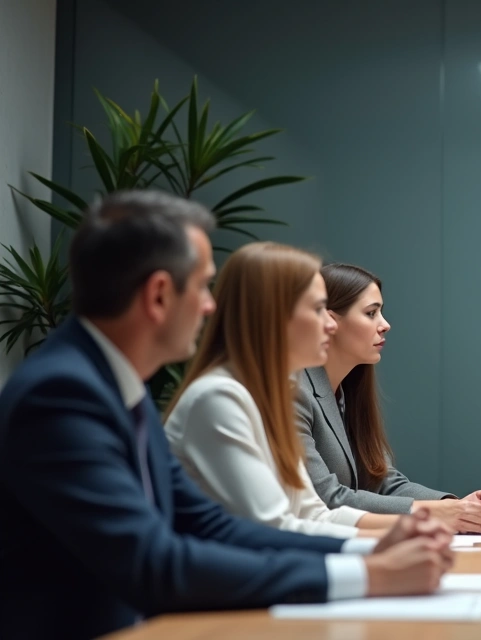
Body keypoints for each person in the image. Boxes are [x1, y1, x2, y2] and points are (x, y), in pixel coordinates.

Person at [0, 191, 452, 640]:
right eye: (201, 286)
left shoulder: (116, 383)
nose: (211, 306)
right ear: (159, 295)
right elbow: (154, 563)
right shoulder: (62, 393)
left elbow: (208, 524)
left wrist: (361, 556)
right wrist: (369, 575)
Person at [165, 243, 407, 538]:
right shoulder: (219, 398)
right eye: (318, 309)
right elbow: (274, 527)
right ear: (275, 315)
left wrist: (417, 526)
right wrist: (377, 560)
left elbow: (313, 513)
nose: (331, 324)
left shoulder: (273, 393)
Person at [296, 263, 481, 533]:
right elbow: (327, 500)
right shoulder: (294, 393)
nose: (385, 325)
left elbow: (382, 481)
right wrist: (439, 513)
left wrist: (456, 505)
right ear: (331, 322)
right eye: (371, 313)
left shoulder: (347, 390)